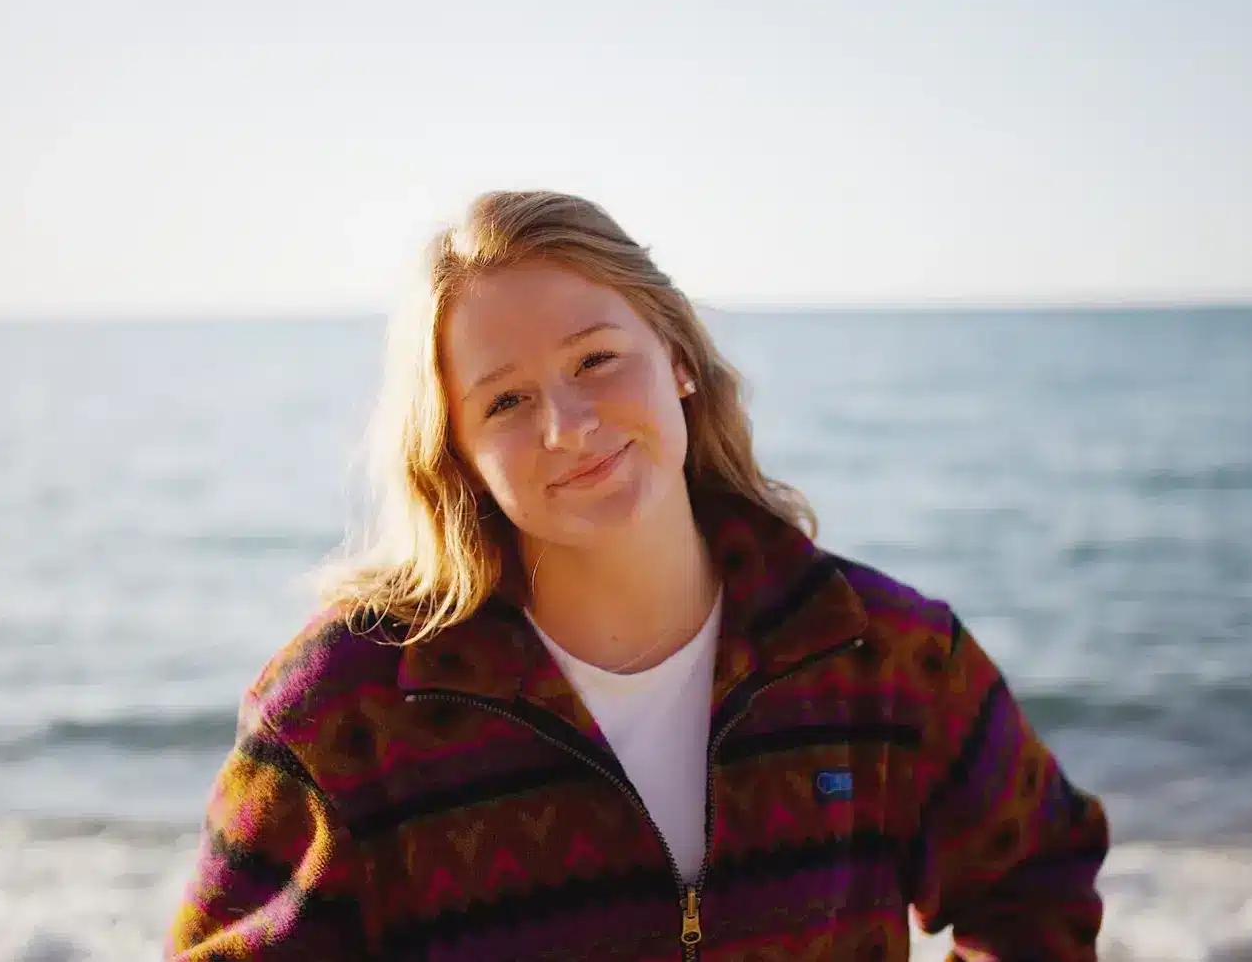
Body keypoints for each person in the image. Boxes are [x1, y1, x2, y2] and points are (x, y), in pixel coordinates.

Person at [167, 191, 1110, 961]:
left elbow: (1039, 879)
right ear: (454, 452)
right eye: (506, 399)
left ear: (679, 358)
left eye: (597, 359)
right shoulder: (346, 714)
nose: (569, 423)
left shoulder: (886, 654)